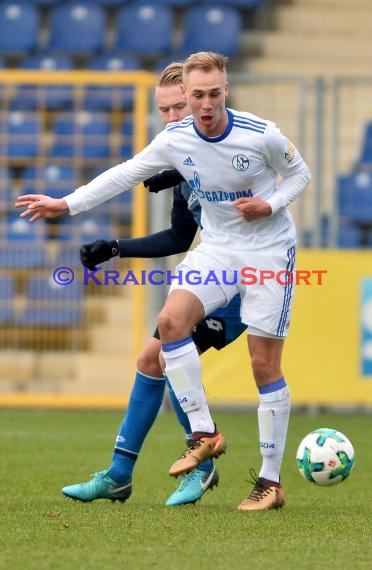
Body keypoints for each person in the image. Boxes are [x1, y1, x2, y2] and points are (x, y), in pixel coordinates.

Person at [16, 52, 311, 511]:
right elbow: (123, 174)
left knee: (263, 366)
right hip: (217, 250)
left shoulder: (260, 134)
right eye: (195, 97)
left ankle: (270, 483)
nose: (203, 104)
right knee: (169, 323)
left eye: (213, 94)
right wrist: (65, 204)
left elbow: (299, 173)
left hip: (269, 251)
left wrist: (269, 205)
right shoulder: (175, 141)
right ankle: (202, 434)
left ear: (225, 91)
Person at [66, 62, 246, 507]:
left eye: (178, 106)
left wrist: (184, 173)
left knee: (166, 357)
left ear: (203, 99)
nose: (170, 117)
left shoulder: (234, 141)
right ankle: (120, 475)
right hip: (213, 274)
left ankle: (201, 466)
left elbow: (240, 179)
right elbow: (180, 237)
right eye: (163, 110)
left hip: (246, 278)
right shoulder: (180, 152)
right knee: (153, 359)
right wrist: (116, 247)